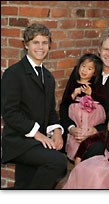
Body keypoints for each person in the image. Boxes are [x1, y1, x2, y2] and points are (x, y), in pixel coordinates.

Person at [1, 23, 67, 189]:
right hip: (18, 141)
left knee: (24, 184)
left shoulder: (49, 77)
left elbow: (51, 112)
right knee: (58, 161)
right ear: (26, 45)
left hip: (37, 142)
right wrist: (38, 135)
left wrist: (57, 132)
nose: (41, 47)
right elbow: (9, 113)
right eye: (36, 42)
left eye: (44, 42)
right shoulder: (13, 74)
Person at [60, 26, 109, 159]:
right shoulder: (81, 71)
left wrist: (96, 130)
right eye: (106, 49)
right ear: (99, 49)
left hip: (105, 135)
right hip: (76, 131)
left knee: (94, 149)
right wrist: (71, 128)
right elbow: (65, 104)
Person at [62, 105, 109, 189]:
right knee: (85, 169)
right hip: (102, 164)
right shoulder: (106, 135)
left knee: (97, 176)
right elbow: (86, 142)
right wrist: (78, 159)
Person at [60, 53, 106, 161]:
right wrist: (73, 94)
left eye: (89, 68)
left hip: (91, 119)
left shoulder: (95, 85)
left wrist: (91, 94)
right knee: (77, 137)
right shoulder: (73, 84)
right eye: (83, 66)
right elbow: (65, 102)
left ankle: (86, 154)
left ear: (95, 73)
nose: (84, 70)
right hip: (77, 120)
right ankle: (75, 156)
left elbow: (103, 99)